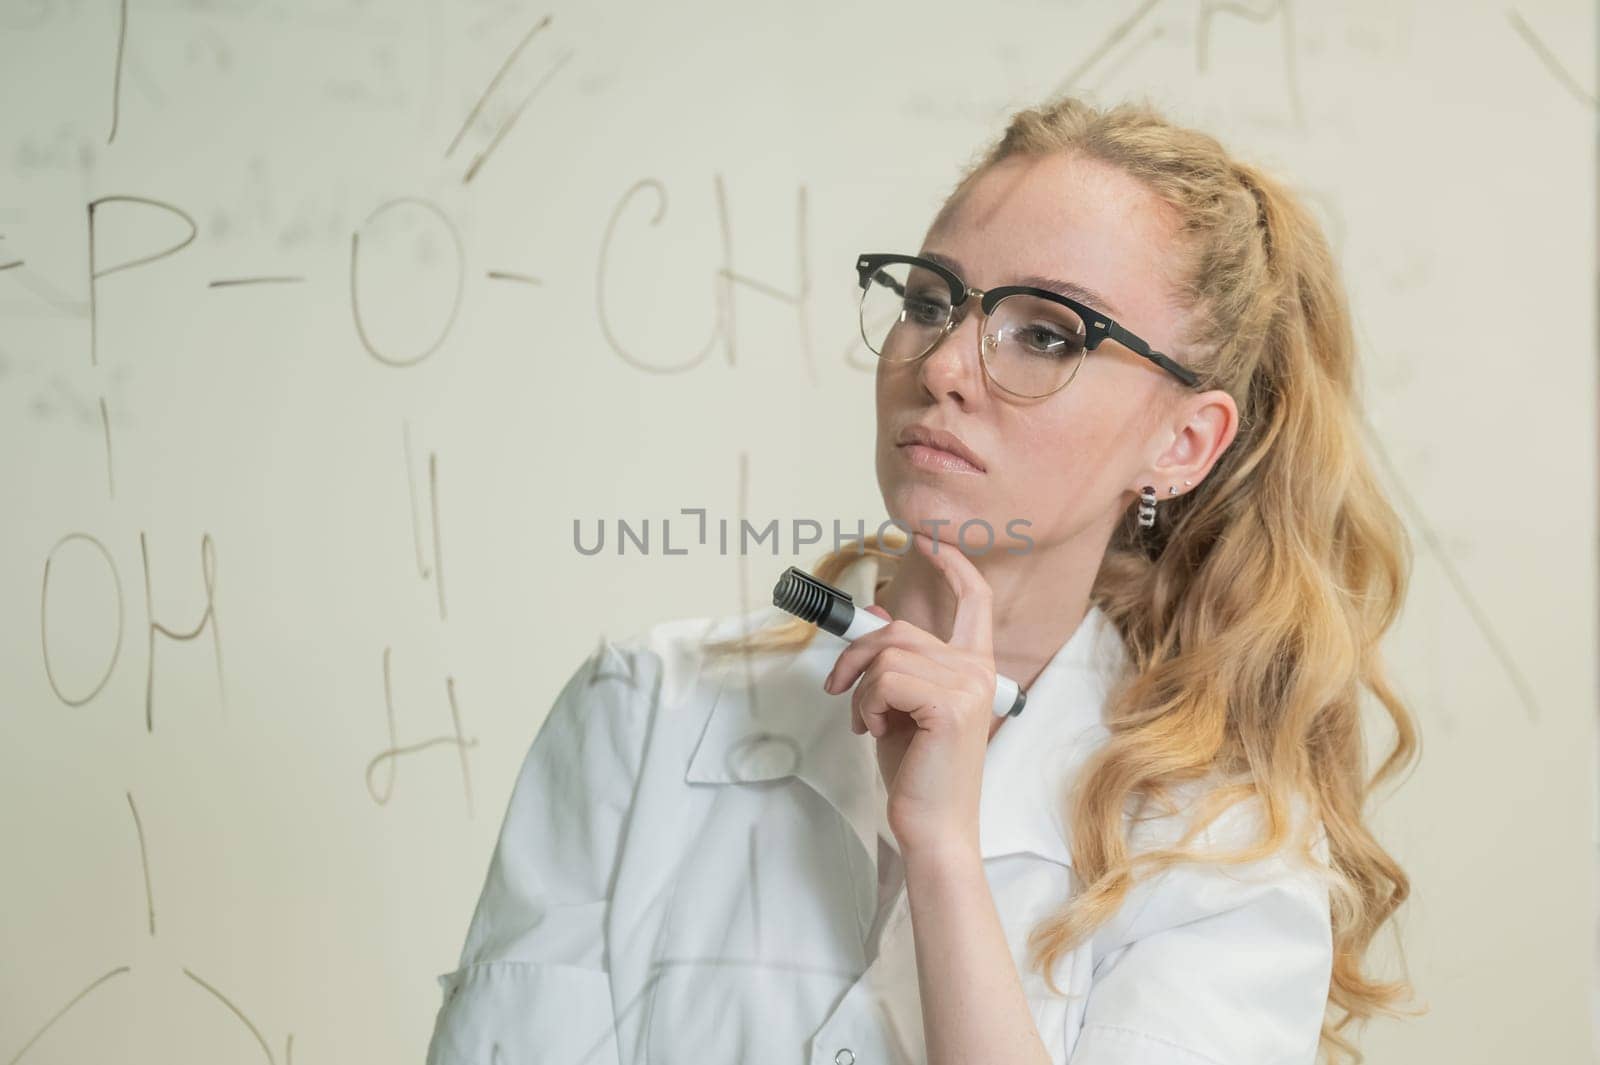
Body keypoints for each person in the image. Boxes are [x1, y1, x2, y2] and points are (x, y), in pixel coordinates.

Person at [424, 94, 1420, 1065]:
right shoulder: (645, 714)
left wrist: (943, 854)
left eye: (1047, 332)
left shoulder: (1225, 859)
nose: (943, 364)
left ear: (1183, 441)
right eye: (931, 301)